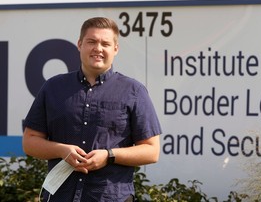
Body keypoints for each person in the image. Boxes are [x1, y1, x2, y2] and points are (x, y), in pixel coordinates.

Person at [22, 17, 162, 202]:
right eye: (91, 42)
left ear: (115, 49)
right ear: (79, 45)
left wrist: (109, 156)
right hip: (60, 196)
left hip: (111, 197)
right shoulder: (53, 87)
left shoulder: (134, 91)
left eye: (105, 43)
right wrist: (62, 150)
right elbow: (30, 142)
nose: (98, 48)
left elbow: (151, 151)